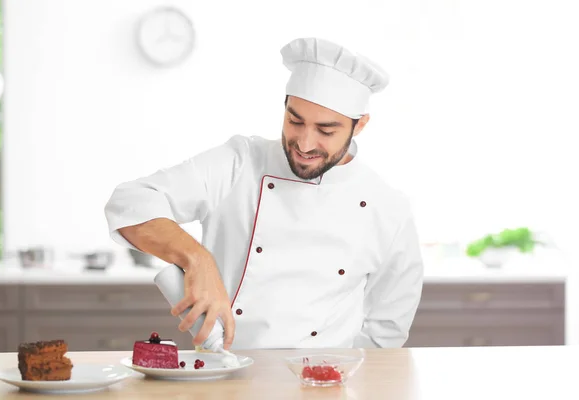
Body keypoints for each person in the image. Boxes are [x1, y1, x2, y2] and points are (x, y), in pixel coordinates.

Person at [104, 37, 424, 351]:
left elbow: (387, 331)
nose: (305, 143)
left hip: (326, 381)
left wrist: (340, 376)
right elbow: (130, 201)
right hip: (230, 373)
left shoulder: (388, 207)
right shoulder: (240, 162)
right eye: (294, 121)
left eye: (326, 130)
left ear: (360, 125)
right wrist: (196, 258)